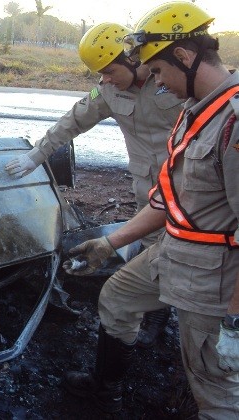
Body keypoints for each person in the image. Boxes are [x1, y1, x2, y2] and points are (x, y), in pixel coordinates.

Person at [62, 2, 239, 416]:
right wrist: (111, 242)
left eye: (157, 71)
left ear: (184, 55)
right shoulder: (197, 113)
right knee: (117, 297)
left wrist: (235, 320)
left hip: (215, 279)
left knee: (214, 388)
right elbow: (171, 197)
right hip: (175, 251)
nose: (156, 83)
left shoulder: (232, 122)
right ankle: (106, 391)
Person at [5, 22, 182, 346]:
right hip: (149, 191)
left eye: (110, 70)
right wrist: (36, 155)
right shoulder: (110, 91)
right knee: (151, 250)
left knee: (185, 251)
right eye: (100, 73)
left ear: (132, 59)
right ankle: (154, 313)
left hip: (190, 190)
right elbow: (73, 121)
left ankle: (178, 314)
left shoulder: (173, 80)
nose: (104, 79)